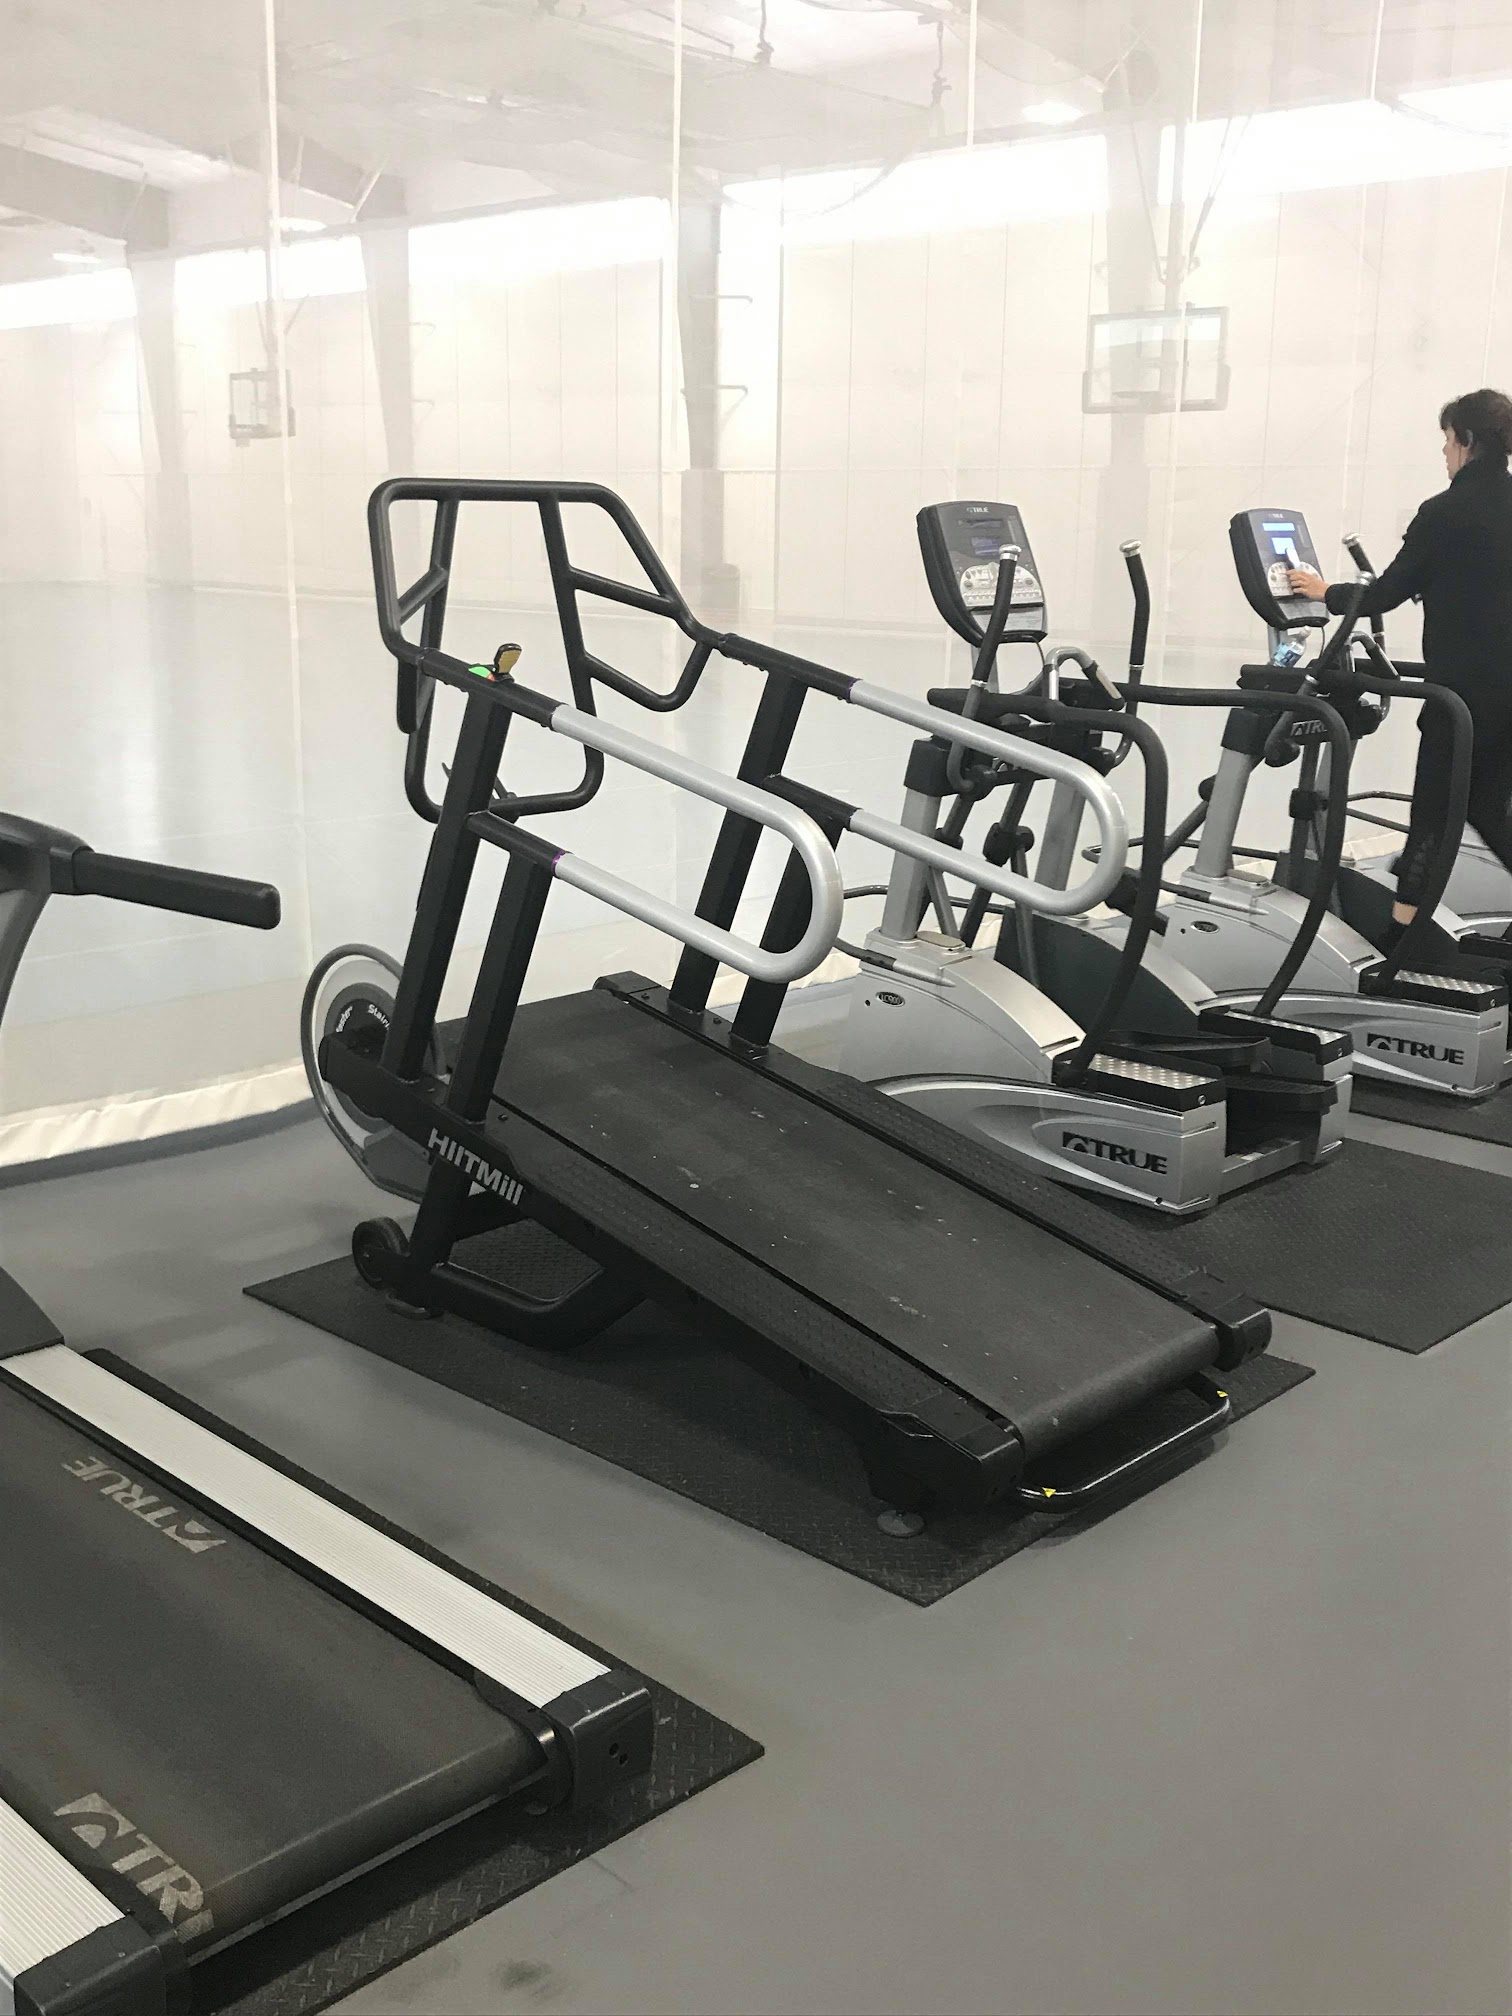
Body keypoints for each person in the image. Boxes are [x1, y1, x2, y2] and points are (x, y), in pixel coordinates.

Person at [1286, 387, 1512, 945]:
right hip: (1507, 692)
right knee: (1487, 805)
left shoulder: (1444, 512)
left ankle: (1399, 941)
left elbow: (1384, 593)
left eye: (1447, 441)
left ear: (1466, 441)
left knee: (1433, 813)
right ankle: (1404, 913)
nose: (1444, 452)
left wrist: (1323, 590)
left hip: (1462, 696)